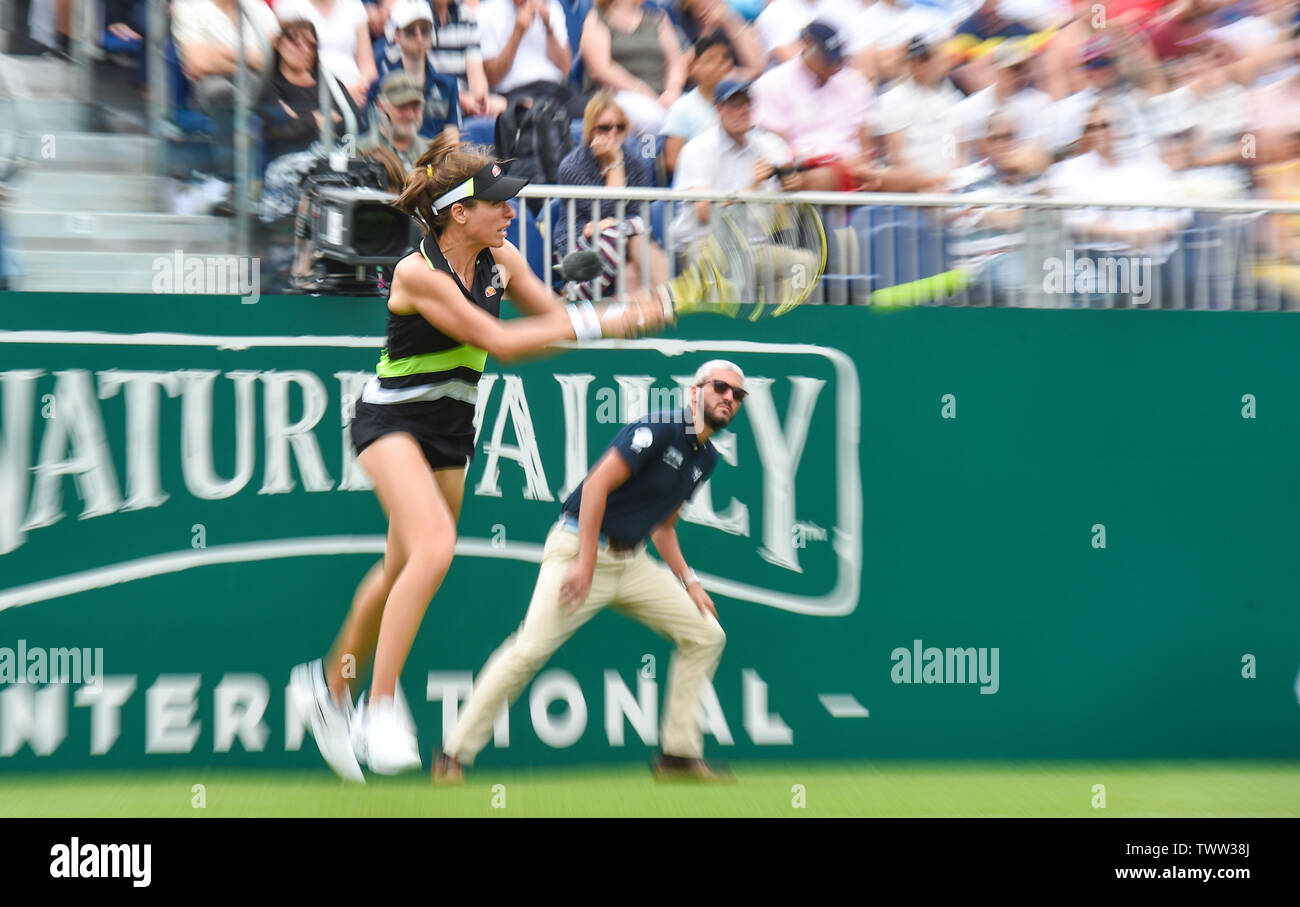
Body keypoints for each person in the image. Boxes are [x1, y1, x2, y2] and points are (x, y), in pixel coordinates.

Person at [289, 136, 667, 779]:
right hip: (389, 420)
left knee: (399, 567)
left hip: (450, 430)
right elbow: (502, 341)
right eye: (497, 203)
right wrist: (608, 319)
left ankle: (329, 688)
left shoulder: (503, 257)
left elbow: (551, 322)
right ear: (459, 211)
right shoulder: (418, 273)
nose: (510, 211)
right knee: (434, 548)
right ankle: (380, 706)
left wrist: (616, 312)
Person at [433, 360, 746, 784]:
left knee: (707, 635)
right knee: (528, 651)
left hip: (630, 563)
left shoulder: (705, 458)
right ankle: (452, 754)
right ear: (695, 392)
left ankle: (678, 755)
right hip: (578, 549)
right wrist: (584, 563)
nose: (728, 398)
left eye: (737, 395)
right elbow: (596, 487)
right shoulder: (657, 430)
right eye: (721, 388)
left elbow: (664, 526)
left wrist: (689, 582)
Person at [554, 91, 668, 299]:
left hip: (622, 241)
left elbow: (638, 214)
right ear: (590, 131)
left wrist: (612, 224)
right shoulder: (572, 166)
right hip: (579, 244)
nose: (613, 134)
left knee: (632, 266)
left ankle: (653, 309)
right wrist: (615, 163)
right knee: (629, 233)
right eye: (605, 128)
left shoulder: (637, 164)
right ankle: (664, 299)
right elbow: (604, 209)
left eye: (620, 127)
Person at [750, 20, 881, 192]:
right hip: (802, 171)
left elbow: (866, 136)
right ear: (808, 45)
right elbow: (776, 146)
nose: (835, 65)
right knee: (821, 179)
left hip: (856, 167)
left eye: (838, 58)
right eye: (828, 59)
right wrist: (839, 165)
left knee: (910, 178)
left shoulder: (854, 81)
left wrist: (865, 165)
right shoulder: (771, 83)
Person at [670, 78, 796, 252]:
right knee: (726, 263)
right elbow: (704, 213)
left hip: (754, 247)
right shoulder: (698, 149)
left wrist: (788, 187)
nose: (743, 111)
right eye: (735, 105)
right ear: (719, 110)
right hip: (704, 245)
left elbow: (778, 215)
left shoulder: (766, 146)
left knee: (805, 264)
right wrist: (751, 188)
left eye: (747, 104)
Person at [579, 0, 688, 136]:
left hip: (663, 95)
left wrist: (673, 90)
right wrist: (641, 90)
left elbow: (676, 60)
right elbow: (600, 69)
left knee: (692, 114)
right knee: (650, 118)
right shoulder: (597, 18)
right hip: (619, 94)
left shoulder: (657, 18)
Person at [369, 0, 464, 138]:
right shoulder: (380, 87)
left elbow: (451, 141)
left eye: (425, 30)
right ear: (396, 35)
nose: (419, 37)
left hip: (436, 159)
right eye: (410, 31)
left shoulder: (448, 86)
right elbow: (377, 139)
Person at [659, 30, 736, 176]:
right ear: (694, 67)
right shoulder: (682, 107)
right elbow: (672, 161)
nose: (717, 66)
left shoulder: (741, 102)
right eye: (709, 60)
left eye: (723, 61)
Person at [278, 0, 378, 106]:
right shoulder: (290, 7)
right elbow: (292, 66)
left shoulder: (354, 6)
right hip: (312, 97)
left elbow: (368, 66)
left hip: (355, 96)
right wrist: (341, 95)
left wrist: (361, 87)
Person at [478, 0, 573, 107]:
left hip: (555, 90)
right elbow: (494, 76)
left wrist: (548, 27)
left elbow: (566, 67)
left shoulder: (551, 6)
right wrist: (518, 31)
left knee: (588, 110)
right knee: (534, 114)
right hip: (515, 92)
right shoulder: (487, 11)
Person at [360, 71, 439, 169]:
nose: (410, 115)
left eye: (415, 106)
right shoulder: (362, 152)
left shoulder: (433, 153)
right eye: (402, 106)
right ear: (381, 105)